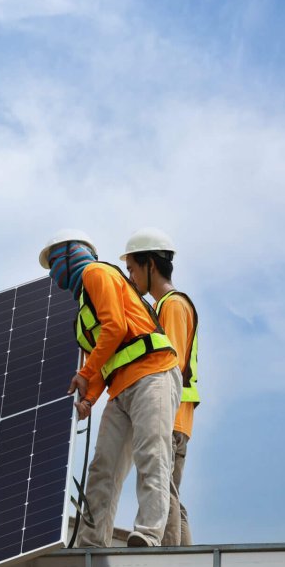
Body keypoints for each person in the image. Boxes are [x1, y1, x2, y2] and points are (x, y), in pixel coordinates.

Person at [39, 229, 182, 548]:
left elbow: (116, 327)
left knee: (151, 453)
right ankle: (92, 542)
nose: (52, 273)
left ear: (68, 254)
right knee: (104, 466)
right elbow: (106, 361)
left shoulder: (96, 272)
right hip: (121, 390)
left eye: (53, 263)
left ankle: (148, 534)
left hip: (154, 373)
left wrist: (84, 373)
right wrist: (89, 397)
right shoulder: (82, 314)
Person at [122, 228, 199, 546]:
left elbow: (171, 366)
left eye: (132, 268)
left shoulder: (172, 306)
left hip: (170, 415)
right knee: (169, 496)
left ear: (150, 265)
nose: (130, 277)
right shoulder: (164, 306)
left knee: (162, 495)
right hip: (174, 416)